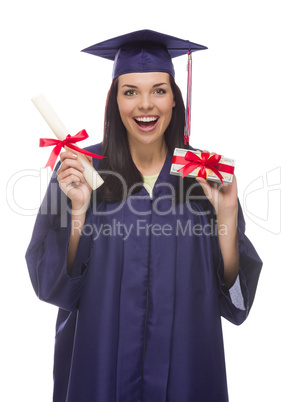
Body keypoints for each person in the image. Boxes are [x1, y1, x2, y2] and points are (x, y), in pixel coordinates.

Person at [26, 30, 262, 402]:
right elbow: (54, 287)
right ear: (114, 101)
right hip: (99, 368)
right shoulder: (80, 170)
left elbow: (233, 302)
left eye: (159, 90)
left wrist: (228, 216)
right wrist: (78, 210)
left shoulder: (203, 174)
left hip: (187, 371)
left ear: (174, 99)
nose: (145, 105)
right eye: (130, 91)